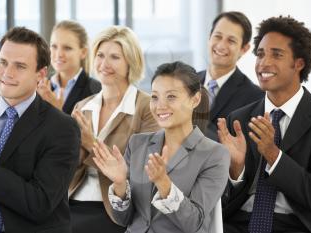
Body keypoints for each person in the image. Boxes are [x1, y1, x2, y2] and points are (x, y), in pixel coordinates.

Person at [93, 61, 230, 233]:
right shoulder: (137, 143)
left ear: (195, 99)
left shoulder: (215, 154)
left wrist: (164, 184)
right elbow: (123, 220)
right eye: (155, 97)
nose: (160, 106)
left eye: (171, 96)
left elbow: (193, 223)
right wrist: (120, 184)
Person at [218, 16, 311, 233]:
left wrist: (273, 154)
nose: (264, 63)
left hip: (296, 226)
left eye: (276, 54)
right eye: (260, 54)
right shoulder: (238, 119)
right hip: (237, 225)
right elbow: (219, 198)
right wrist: (236, 171)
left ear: (299, 63)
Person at [0, 27, 80, 233]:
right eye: (3, 62)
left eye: (20, 66)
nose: (7, 73)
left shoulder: (63, 129)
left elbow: (39, 204)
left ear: (40, 74)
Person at [68, 25, 159, 233]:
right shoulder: (83, 107)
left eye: (115, 57)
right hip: (72, 202)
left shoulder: (147, 107)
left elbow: (141, 170)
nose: (104, 64)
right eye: (100, 55)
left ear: (131, 62)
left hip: (115, 211)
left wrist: (91, 144)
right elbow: (68, 165)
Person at [198, 11, 264, 141]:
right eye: (217, 36)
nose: (221, 45)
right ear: (209, 37)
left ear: (244, 49)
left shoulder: (256, 99)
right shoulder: (184, 83)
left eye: (231, 40)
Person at [37, 20, 101, 114]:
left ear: (83, 52)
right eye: (54, 46)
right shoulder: (41, 87)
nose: (59, 54)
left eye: (67, 48)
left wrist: (57, 112)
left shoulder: (96, 90)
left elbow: (87, 128)